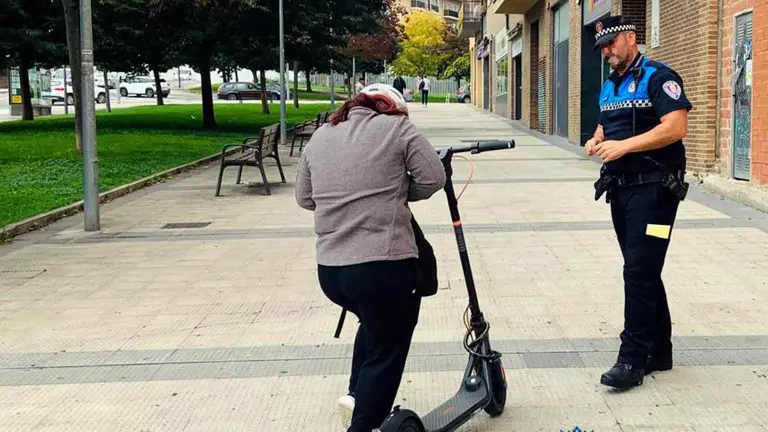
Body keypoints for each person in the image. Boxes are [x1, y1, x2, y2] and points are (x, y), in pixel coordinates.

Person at [295, 84, 446, 431]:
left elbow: (305, 198)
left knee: (375, 322)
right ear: (390, 107)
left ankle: (355, 394)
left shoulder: (320, 136)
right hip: (383, 267)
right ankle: (362, 425)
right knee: (388, 348)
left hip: (331, 273)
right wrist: (394, 192)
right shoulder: (397, 128)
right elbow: (433, 176)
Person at [585, 15, 692, 390]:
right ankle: (659, 351)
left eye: (611, 45)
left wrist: (625, 146)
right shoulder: (610, 84)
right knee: (642, 268)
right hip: (621, 189)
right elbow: (605, 124)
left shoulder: (659, 77)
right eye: (602, 49)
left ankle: (632, 359)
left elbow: (676, 127)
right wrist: (596, 140)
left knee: (638, 270)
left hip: (657, 191)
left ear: (630, 38)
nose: (606, 53)